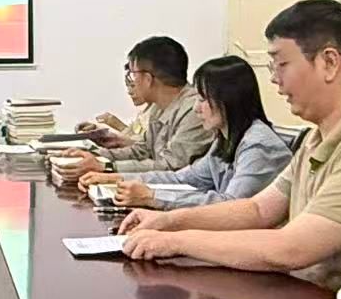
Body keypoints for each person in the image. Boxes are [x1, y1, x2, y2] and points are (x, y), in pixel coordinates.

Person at [118, 0, 341, 288]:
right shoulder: (320, 137)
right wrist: (168, 221)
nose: (273, 78)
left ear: (329, 62)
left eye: (280, 64)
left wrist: (177, 241)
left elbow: (292, 249)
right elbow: (258, 209)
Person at [91, 56, 292, 210]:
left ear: (229, 100)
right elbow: (182, 178)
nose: (196, 108)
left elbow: (230, 205)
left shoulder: (258, 146)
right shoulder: (226, 139)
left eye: (203, 99)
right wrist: (118, 179)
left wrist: (152, 196)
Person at [59, 37, 210, 181]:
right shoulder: (158, 106)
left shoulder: (194, 109)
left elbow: (170, 166)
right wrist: (93, 155)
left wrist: (106, 166)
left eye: (133, 74)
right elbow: (142, 151)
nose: (132, 81)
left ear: (148, 79)